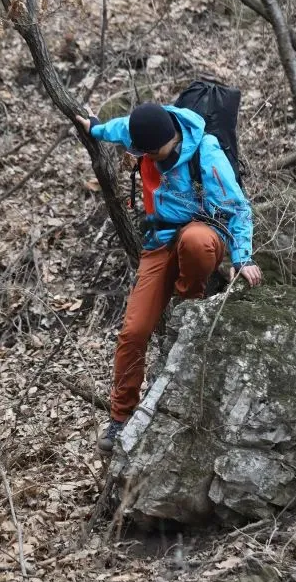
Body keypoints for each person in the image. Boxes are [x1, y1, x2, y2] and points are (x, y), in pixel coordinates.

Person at [76, 101, 262, 453]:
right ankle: (119, 419)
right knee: (133, 332)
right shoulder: (142, 134)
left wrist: (242, 256)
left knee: (195, 242)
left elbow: (238, 208)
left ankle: (189, 298)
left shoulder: (204, 153)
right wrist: (95, 127)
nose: (146, 157)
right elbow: (118, 129)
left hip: (202, 232)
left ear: (172, 139)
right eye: (141, 151)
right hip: (158, 242)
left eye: (152, 152)